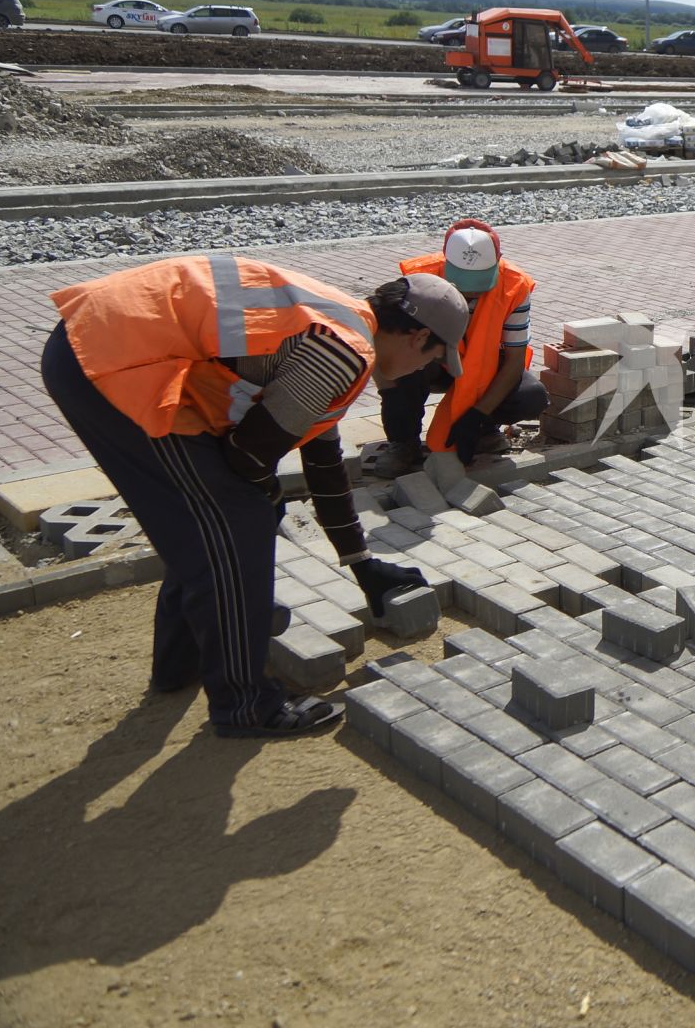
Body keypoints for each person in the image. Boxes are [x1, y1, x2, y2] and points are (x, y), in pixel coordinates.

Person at [41, 258, 469, 737]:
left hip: (99, 342)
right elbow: (247, 459)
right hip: (111, 359)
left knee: (210, 521)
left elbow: (321, 456)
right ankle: (245, 704)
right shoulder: (344, 352)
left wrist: (360, 561)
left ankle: (179, 665)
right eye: (431, 360)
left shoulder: (341, 323)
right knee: (237, 518)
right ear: (417, 338)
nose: (422, 370)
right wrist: (262, 508)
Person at [378, 219, 547, 474]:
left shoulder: (515, 287)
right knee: (406, 364)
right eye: (463, 287)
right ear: (446, 263)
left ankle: (484, 430)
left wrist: (477, 416)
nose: (470, 295)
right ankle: (403, 442)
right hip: (435, 364)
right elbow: (386, 350)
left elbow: (514, 361)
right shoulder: (418, 283)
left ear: (497, 262)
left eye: (479, 287)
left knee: (530, 396)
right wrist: (391, 395)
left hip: (485, 366)